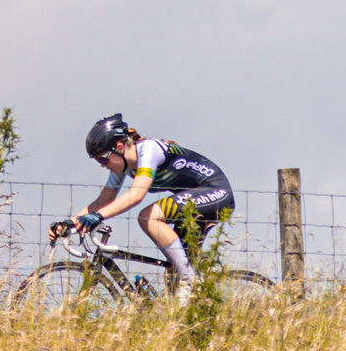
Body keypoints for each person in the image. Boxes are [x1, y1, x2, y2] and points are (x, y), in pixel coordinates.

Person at [51, 114, 235, 289]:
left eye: (103, 158)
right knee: (173, 275)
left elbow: (137, 195)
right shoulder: (124, 167)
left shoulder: (148, 150)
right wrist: (70, 223)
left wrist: (97, 216)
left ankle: (190, 281)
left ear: (120, 147)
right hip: (193, 203)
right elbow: (103, 201)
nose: (102, 164)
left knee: (148, 217)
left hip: (217, 192)